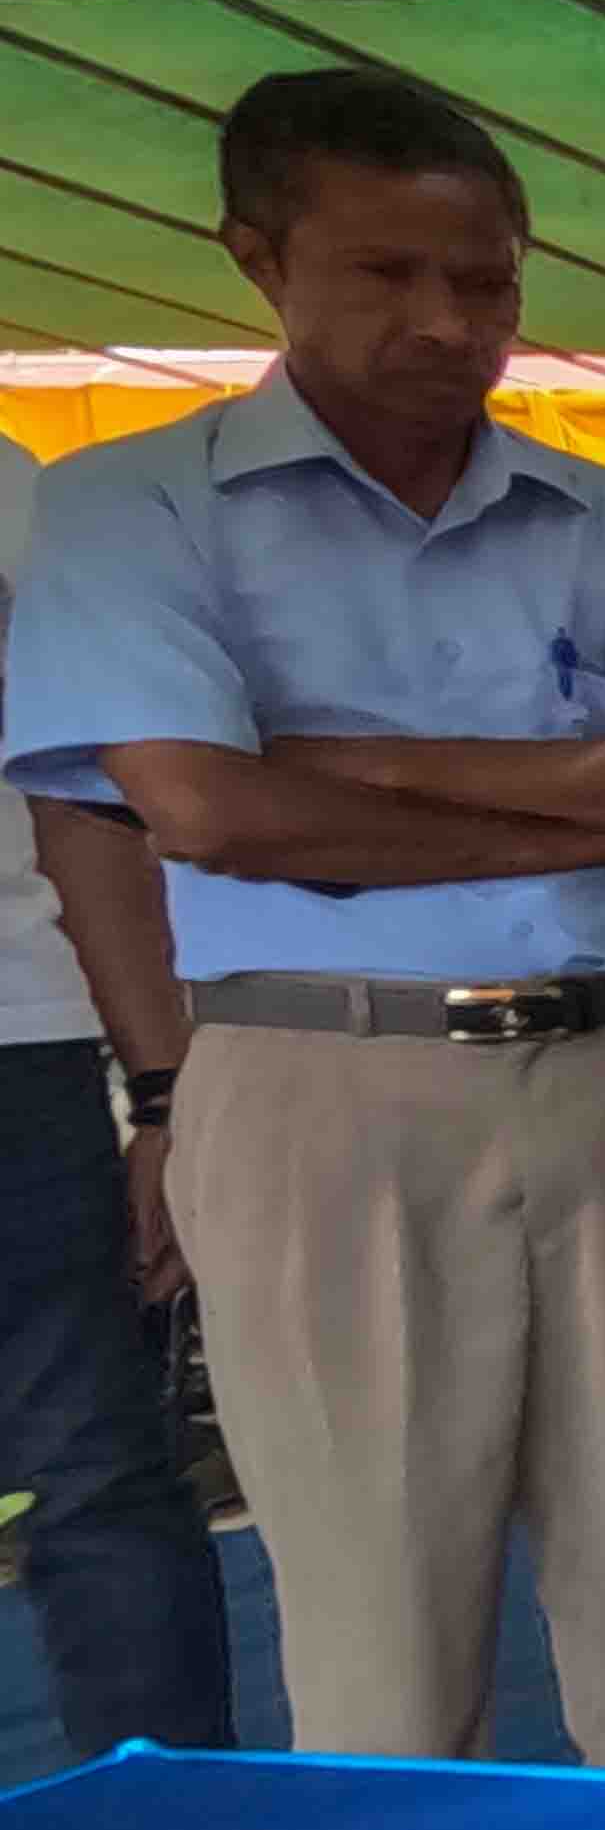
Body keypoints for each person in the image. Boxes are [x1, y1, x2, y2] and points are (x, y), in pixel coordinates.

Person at [0, 68, 605, 1771]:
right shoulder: (128, 509)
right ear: (257, 258)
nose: (450, 322)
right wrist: (597, 786)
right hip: (315, 1081)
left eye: (488, 281)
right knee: (378, 1638)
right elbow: (208, 811)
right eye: (389, 273)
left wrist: (348, 785)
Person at [0, 428, 231, 1759]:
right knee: (93, 1472)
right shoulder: (25, 494)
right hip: (22, 1051)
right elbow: (85, 806)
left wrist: (164, 1092)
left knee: (98, 1473)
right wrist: (162, 1091)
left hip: (22, 1050)